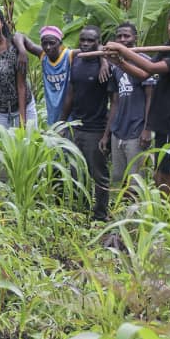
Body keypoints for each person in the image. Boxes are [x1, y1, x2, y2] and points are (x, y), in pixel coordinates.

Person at [104, 5, 170, 194]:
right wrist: (120, 63)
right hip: (162, 121)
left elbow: (152, 67)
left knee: (168, 175)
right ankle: (163, 214)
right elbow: (144, 73)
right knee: (159, 174)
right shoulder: (165, 49)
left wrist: (122, 49)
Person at [58, 26, 111, 221]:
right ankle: (80, 211)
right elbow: (70, 94)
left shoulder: (105, 65)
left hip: (95, 129)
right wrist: (62, 123)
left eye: (90, 41)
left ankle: (100, 215)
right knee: (75, 171)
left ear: (98, 42)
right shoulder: (77, 60)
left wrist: (107, 134)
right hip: (76, 126)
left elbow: (115, 102)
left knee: (98, 173)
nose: (86, 44)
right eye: (83, 40)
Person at [98, 22, 154, 205]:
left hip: (137, 130)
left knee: (135, 181)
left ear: (135, 38)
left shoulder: (145, 61)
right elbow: (114, 102)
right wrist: (107, 134)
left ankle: (137, 221)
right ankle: (120, 219)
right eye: (119, 37)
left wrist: (147, 129)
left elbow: (150, 98)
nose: (122, 40)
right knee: (118, 177)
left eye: (127, 36)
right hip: (118, 131)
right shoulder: (115, 66)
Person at [15, 25, 74, 126]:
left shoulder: (69, 55)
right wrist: (22, 51)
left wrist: (103, 61)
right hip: (52, 114)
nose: (48, 47)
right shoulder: (43, 55)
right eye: (44, 43)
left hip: (70, 116)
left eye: (52, 43)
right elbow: (18, 35)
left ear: (60, 43)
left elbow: (93, 50)